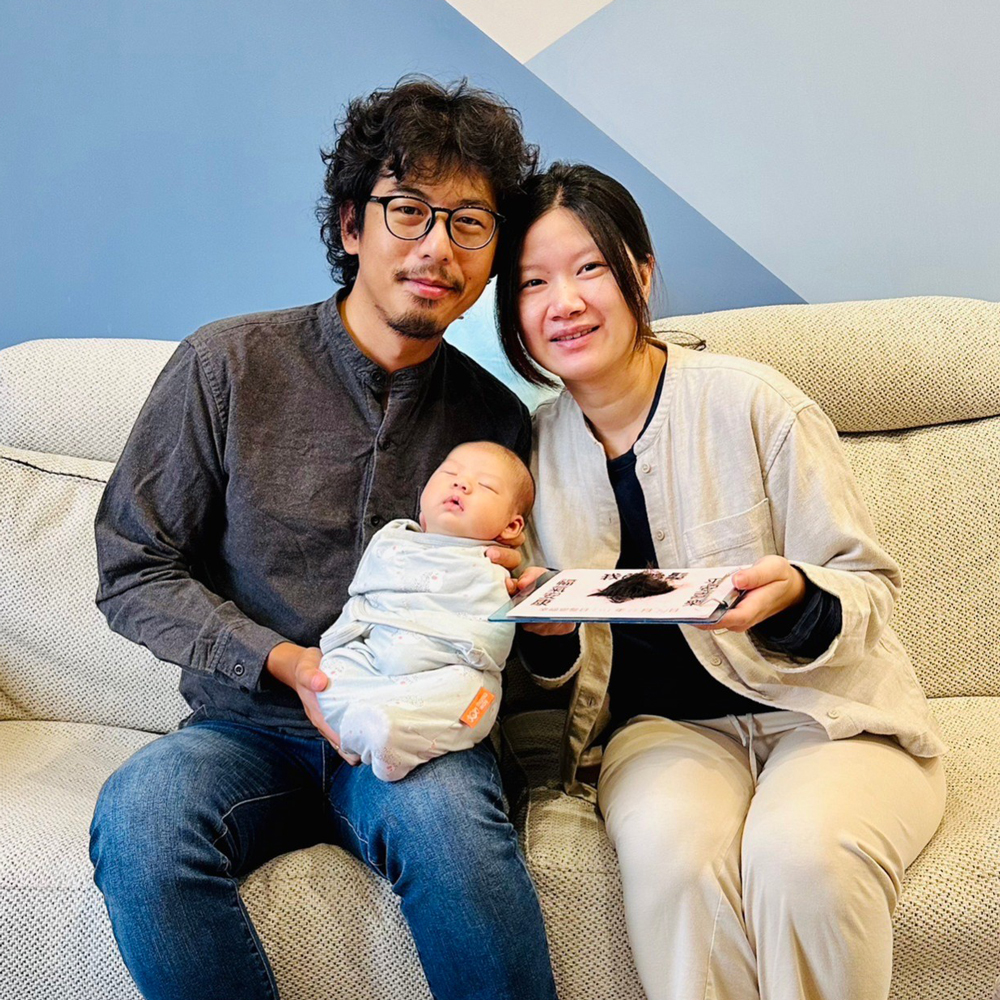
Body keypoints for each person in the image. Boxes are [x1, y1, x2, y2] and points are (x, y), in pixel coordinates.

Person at [88, 78, 559, 1000]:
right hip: (246, 730)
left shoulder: (498, 421)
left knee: (454, 835)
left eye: (470, 223)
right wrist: (286, 663)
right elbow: (133, 567)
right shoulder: (227, 365)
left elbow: (520, 635)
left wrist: (541, 616)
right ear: (351, 225)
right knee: (142, 818)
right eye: (408, 210)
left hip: (414, 727)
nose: (437, 246)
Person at [494, 162, 947, 1000]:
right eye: (533, 282)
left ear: (641, 273)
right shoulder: (530, 455)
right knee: (675, 864)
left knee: (802, 856)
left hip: (824, 714)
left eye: (591, 267)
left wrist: (798, 599)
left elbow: (868, 584)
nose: (566, 302)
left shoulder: (755, 403)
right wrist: (547, 635)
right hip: (661, 733)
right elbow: (549, 669)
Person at [317, 441, 534, 781]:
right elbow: (362, 600)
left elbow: (494, 644)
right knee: (331, 672)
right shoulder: (393, 542)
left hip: (445, 671)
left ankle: (393, 737)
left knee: (476, 697)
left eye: (486, 485)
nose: (461, 483)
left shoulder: (494, 568)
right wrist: (343, 639)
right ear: (422, 511)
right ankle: (366, 724)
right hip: (376, 656)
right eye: (450, 473)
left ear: (511, 528)